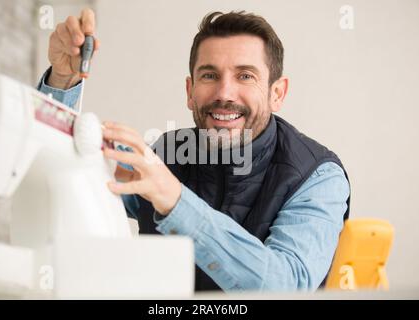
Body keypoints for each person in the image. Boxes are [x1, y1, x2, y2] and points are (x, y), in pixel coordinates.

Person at [38, 9, 351, 292]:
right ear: (190, 92)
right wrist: (62, 81)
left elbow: (286, 286)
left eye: (245, 75)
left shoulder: (318, 177)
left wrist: (175, 201)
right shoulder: (167, 154)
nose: (224, 93)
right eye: (210, 75)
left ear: (277, 93)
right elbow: (64, 177)